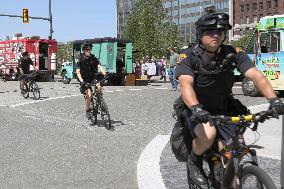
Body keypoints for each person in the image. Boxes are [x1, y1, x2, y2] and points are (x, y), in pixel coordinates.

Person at [175, 8, 284, 185]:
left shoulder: (233, 53)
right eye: (211, 31)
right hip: (197, 109)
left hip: (225, 108)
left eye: (220, 31)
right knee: (208, 134)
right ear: (200, 33)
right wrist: (196, 107)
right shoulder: (188, 56)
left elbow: (257, 76)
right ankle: (194, 161)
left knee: (236, 147)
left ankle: (228, 177)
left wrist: (274, 100)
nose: (216, 35)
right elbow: (185, 84)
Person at [75, 43, 107, 119]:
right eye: (87, 50)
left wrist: (105, 74)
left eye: (89, 50)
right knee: (89, 94)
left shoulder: (93, 58)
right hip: (83, 78)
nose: (88, 51)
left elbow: (99, 66)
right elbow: (78, 72)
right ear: (84, 51)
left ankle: (100, 101)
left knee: (99, 87)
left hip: (92, 77)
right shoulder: (80, 58)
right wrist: (82, 82)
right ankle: (88, 109)